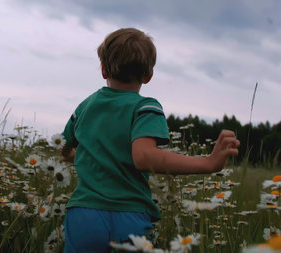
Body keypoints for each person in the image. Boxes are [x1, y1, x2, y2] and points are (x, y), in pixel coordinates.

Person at [61, 27, 240, 253]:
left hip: (83, 215)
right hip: (128, 216)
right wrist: (208, 163)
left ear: (104, 70)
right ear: (148, 76)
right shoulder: (145, 107)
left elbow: (64, 149)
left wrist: (91, 156)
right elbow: (144, 157)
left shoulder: (85, 107)